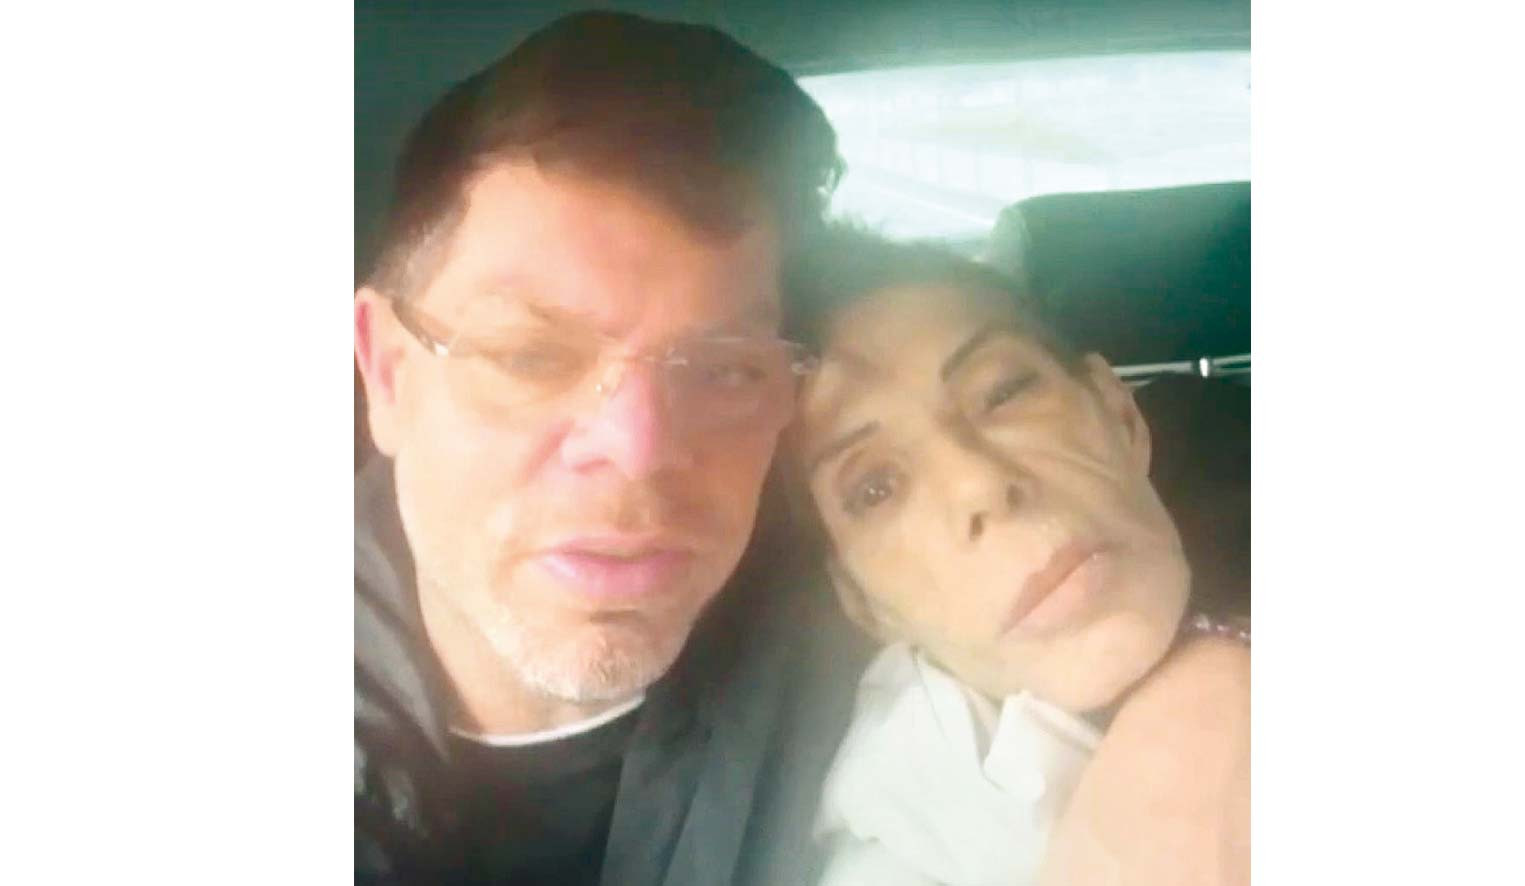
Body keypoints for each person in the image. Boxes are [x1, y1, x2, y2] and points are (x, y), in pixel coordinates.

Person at [352, 12, 869, 884]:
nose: (639, 450)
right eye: (530, 357)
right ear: (389, 376)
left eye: (725, 371)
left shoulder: (887, 667)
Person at [784, 230, 1251, 886]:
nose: (978, 484)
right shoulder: (898, 843)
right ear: (864, 605)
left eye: (1003, 393)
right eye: (875, 488)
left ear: (1120, 415)